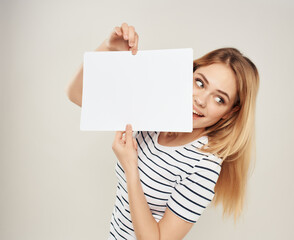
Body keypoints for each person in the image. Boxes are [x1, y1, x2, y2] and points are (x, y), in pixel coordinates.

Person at [66, 22, 259, 240]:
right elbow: (76, 94)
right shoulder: (154, 115)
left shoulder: (203, 165)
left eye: (219, 98)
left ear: (229, 112)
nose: (201, 100)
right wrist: (109, 47)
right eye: (200, 83)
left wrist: (131, 168)